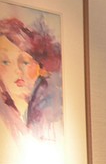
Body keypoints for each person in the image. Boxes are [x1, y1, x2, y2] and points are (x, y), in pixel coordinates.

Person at [0, 16, 62, 148]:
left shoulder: (51, 109)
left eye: (25, 62)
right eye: (5, 62)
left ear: (40, 65)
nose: (17, 70)